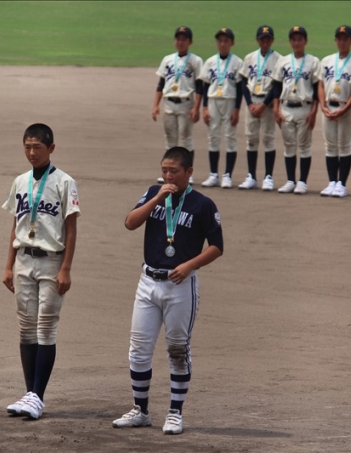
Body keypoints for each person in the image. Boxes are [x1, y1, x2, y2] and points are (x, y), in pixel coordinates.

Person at [113, 146, 223, 435]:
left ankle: (175, 412)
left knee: (177, 349)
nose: (168, 176)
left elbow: (217, 246)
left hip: (180, 286)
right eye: (164, 170)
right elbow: (130, 223)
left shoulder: (203, 204)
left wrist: (189, 265)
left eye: (173, 171)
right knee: (138, 349)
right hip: (148, 281)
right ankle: (140, 410)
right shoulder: (154, 193)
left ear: (189, 172)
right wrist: (156, 199)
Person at [2, 123, 80, 420]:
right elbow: (16, 225)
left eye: (37, 147)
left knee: (46, 326)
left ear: (51, 148)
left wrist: (66, 268)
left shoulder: (65, 182)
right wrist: (8, 265)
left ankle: (37, 396)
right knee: (26, 327)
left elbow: (71, 229)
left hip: (52, 261)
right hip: (24, 258)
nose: (32, 152)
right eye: (27, 147)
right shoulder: (20, 181)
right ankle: (30, 394)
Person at [271, 25, 321, 194]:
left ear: (306, 41)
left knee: (305, 146)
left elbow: (316, 88)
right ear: (290, 42)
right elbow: (277, 87)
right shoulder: (283, 61)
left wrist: (314, 111)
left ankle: (302, 182)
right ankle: (291, 180)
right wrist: (276, 108)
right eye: (294, 39)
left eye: (300, 39)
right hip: (286, 107)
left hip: (304, 107)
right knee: (289, 146)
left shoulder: (313, 61)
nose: (297, 42)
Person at [153, 26, 204, 186]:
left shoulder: (195, 61)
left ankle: (188, 174)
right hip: (169, 102)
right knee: (170, 140)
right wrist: (155, 105)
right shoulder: (167, 59)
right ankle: (170, 173)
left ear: (190, 42)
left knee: (186, 139)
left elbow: (199, 86)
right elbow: (161, 84)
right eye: (178, 39)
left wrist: (196, 107)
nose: (180, 42)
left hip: (186, 103)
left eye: (184, 39)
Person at [316, 25, 351, 198]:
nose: (342, 42)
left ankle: (342, 183)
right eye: (339, 39)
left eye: (346, 39)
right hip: (329, 107)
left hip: (345, 108)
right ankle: (332, 182)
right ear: (335, 40)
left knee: (344, 146)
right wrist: (322, 106)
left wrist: (345, 109)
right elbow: (321, 85)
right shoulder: (326, 61)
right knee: (330, 146)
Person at [238, 25, 282, 191]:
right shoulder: (249, 58)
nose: (265, 42)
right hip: (252, 102)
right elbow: (243, 82)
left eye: (268, 39)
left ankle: (268, 176)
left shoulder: (278, 59)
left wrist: (264, 104)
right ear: (257, 40)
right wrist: (249, 103)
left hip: (267, 104)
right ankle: (251, 176)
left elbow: (277, 85)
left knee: (268, 139)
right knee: (251, 139)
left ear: (272, 40)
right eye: (262, 39)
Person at [199, 28, 244, 189]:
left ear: (232, 43)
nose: (223, 44)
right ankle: (213, 175)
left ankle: (227, 176)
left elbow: (240, 88)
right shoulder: (210, 62)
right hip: (213, 100)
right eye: (220, 41)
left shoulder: (237, 62)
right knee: (213, 137)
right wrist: (204, 107)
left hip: (230, 101)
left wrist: (237, 109)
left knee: (230, 137)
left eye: (226, 41)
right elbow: (205, 86)